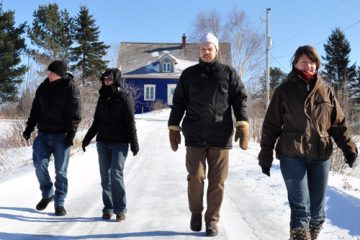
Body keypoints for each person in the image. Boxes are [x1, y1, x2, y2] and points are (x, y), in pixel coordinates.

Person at [258, 45, 358, 240]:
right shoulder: (283, 91)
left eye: (312, 62)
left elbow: (338, 125)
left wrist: (348, 149)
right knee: (300, 206)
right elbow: (271, 126)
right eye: (304, 61)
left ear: (317, 65)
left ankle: (310, 235)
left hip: (320, 156)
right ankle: (299, 235)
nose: (308, 66)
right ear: (295, 64)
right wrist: (265, 156)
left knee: (318, 211)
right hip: (291, 155)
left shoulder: (326, 92)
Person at [168, 33, 249, 237]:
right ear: (199, 50)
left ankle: (212, 220)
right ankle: (196, 213)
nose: (206, 52)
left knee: (217, 181)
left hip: (220, 136)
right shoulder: (188, 75)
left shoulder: (228, 73)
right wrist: (173, 126)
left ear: (216, 50)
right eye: (203, 48)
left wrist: (242, 123)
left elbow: (240, 99)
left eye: (209, 48)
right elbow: (178, 102)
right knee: (195, 177)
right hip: (194, 134)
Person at [23, 60, 82, 216]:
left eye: (52, 73)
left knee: (61, 172)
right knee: (38, 166)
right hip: (43, 134)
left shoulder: (70, 88)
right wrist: (29, 128)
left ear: (60, 74)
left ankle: (59, 202)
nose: (48, 75)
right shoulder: (43, 87)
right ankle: (48, 192)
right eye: (48, 72)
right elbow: (35, 110)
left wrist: (71, 135)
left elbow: (75, 114)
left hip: (61, 136)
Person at [82, 68, 139, 222]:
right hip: (103, 142)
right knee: (105, 177)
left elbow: (130, 122)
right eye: (105, 80)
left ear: (116, 80)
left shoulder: (124, 97)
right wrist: (87, 139)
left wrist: (134, 143)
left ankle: (120, 209)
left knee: (116, 173)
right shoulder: (102, 98)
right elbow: (96, 122)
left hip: (120, 142)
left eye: (109, 79)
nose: (107, 82)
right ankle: (108, 208)